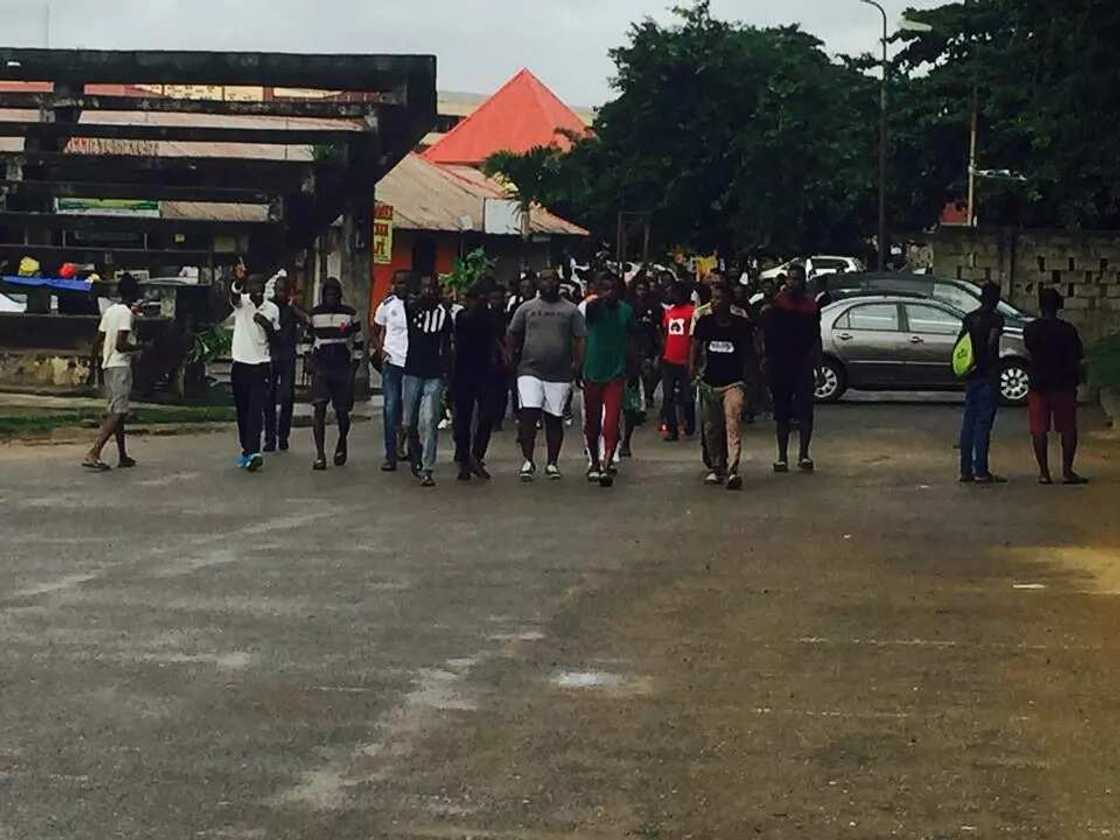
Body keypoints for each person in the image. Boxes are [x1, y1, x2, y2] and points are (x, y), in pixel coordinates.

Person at [507, 268, 586, 481]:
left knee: (554, 418)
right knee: (528, 415)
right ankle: (528, 460)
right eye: (544, 280)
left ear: (559, 283)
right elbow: (513, 332)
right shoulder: (527, 308)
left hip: (559, 374)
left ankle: (552, 462)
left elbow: (580, 338)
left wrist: (577, 365)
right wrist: (510, 358)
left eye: (552, 280)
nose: (548, 283)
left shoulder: (571, 310)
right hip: (529, 370)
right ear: (538, 283)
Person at [690, 281, 753, 490]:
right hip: (709, 383)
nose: (715, 302)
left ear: (729, 300)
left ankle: (733, 469)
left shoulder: (741, 324)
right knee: (711, 428)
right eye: (713, 298)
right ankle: (718, 468)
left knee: (732, 423)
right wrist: (691, 370)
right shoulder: (704, 322)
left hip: (733, 383)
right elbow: (696, 348)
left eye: (719, 298)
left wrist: (750, 380)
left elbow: (749, 353)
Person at [761, 264, 821, 473]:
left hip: (803, 363)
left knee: (805, 412)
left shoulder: (811, 307)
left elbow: (816, 339)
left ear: (803, 281)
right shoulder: (777, 304)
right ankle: (782, 456)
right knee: (782, 412)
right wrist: (767, 362)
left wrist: (819, 369)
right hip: (781, 363)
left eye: (796, 279)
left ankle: (804, 454)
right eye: (790, 279)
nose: (792, 283)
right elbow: (767, 336)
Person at [1024, 288, 1087, 485]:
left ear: (1040, 306)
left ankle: (1044, 473)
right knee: (1068, 429)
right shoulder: (1068, 330)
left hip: (1038, 384)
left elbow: (1029, 349)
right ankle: (1067, 472)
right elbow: (1078, 355)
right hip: (1064, 384)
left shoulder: (1031, 329)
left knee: (1039, 430)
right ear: (1059, 306)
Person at [83, 273, 143, 472]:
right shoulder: (126, 314)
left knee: (119, 412)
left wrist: (92, 368)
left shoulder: (110, 311)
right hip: (120, 366)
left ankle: (123, 455)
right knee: (118, 412)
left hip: (107, 365)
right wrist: (140, 347)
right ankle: (94, 452)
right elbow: (121, 344)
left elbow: (97, 340)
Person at [582, 273, 636, 487]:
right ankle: (593, 461)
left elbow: (632, 341)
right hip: (592, 370)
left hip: (616, 372)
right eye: (605, 289)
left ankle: (606, 463)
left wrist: (634, 367)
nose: (609, 293)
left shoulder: (626, 311)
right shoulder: (592, 309)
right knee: (592, 422)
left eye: (613, 289)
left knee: (611, 421)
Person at [452, 281, 506, 482]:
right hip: (463, 372)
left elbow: (497, 338)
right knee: (462, 420)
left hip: (486, 372)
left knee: (487, 416)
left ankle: (476, 456)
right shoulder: (462, 317)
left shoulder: (493, 317)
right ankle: (464, 459)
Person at [403, 275, 453, 487]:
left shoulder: (443, 316)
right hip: (412, 371)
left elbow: (449, 345)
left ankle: (427, 468)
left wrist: (448, 372)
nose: (429, 292)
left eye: (432, 288)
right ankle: (414, 453)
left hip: (434, 374)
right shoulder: (411, 309)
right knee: (408, 422)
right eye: (425, 288)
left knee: (430, 420)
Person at [308, 277, 362, 472]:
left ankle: (341, 440)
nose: (331, 297)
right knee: (319, 407)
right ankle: (320, 454)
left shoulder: (350, 314)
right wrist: (309, 361)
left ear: (339, 295)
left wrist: (354, 366)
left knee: (342, 412)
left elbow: (358, 341)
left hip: (342, 366)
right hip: (321, 366)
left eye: (334, 294)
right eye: (327, 294)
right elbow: (308, 338)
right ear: (323, 296)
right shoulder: (314, 314)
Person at [229, 273, 280, 472]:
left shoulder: (272, 309)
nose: (255, 288)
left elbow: (276, 340)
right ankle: (246, 449)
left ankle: (254, 451)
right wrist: (239, 280)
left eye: (259, 284)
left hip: (261, 365)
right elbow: (233, 296)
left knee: (255, 409)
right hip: (240, 364)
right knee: (242, 410)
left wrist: (266, 325)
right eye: (251, 285)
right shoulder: (242, 304)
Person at [958, 281, 1007, 483]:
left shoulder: (969, 319)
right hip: (988, 375)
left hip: (972, 374)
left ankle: (965, 470)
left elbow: (963, 347)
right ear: (996, 299)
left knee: (969, 421)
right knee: (983, 424)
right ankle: (981, 470)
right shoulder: (996, 319)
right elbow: (991, 343)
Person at [372, 270, 411, 471]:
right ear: (393, 284)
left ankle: (404, 447)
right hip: (392, 363)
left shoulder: (416, 305)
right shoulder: (387, 306)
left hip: (412, 364)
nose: (403, 286)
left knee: (408, 410)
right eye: (399, 283)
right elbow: (374, 330)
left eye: (406, 282)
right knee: (390, 407)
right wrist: (381, 352)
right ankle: (390, 455)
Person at [263, 271, 301, 453]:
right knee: (268, 397)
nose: (281, 293)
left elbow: (307, 323)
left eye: (284, 290)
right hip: (270, 356)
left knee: (287, 397)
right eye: (278, 290)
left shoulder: (292, 310)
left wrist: (295, 308)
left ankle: (283, 436)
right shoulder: (268, 308)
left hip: (287, 357)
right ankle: (270, 437)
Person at [660, 282, 696, 441]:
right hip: (669, 359)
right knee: (668, 396)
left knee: (687, 396)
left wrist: (692, 360)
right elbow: (666, 333)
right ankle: (672, 428)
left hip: (685, 360)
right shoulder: (669, 312)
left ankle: (690, 422)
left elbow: (694, 338)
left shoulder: (692, 312)